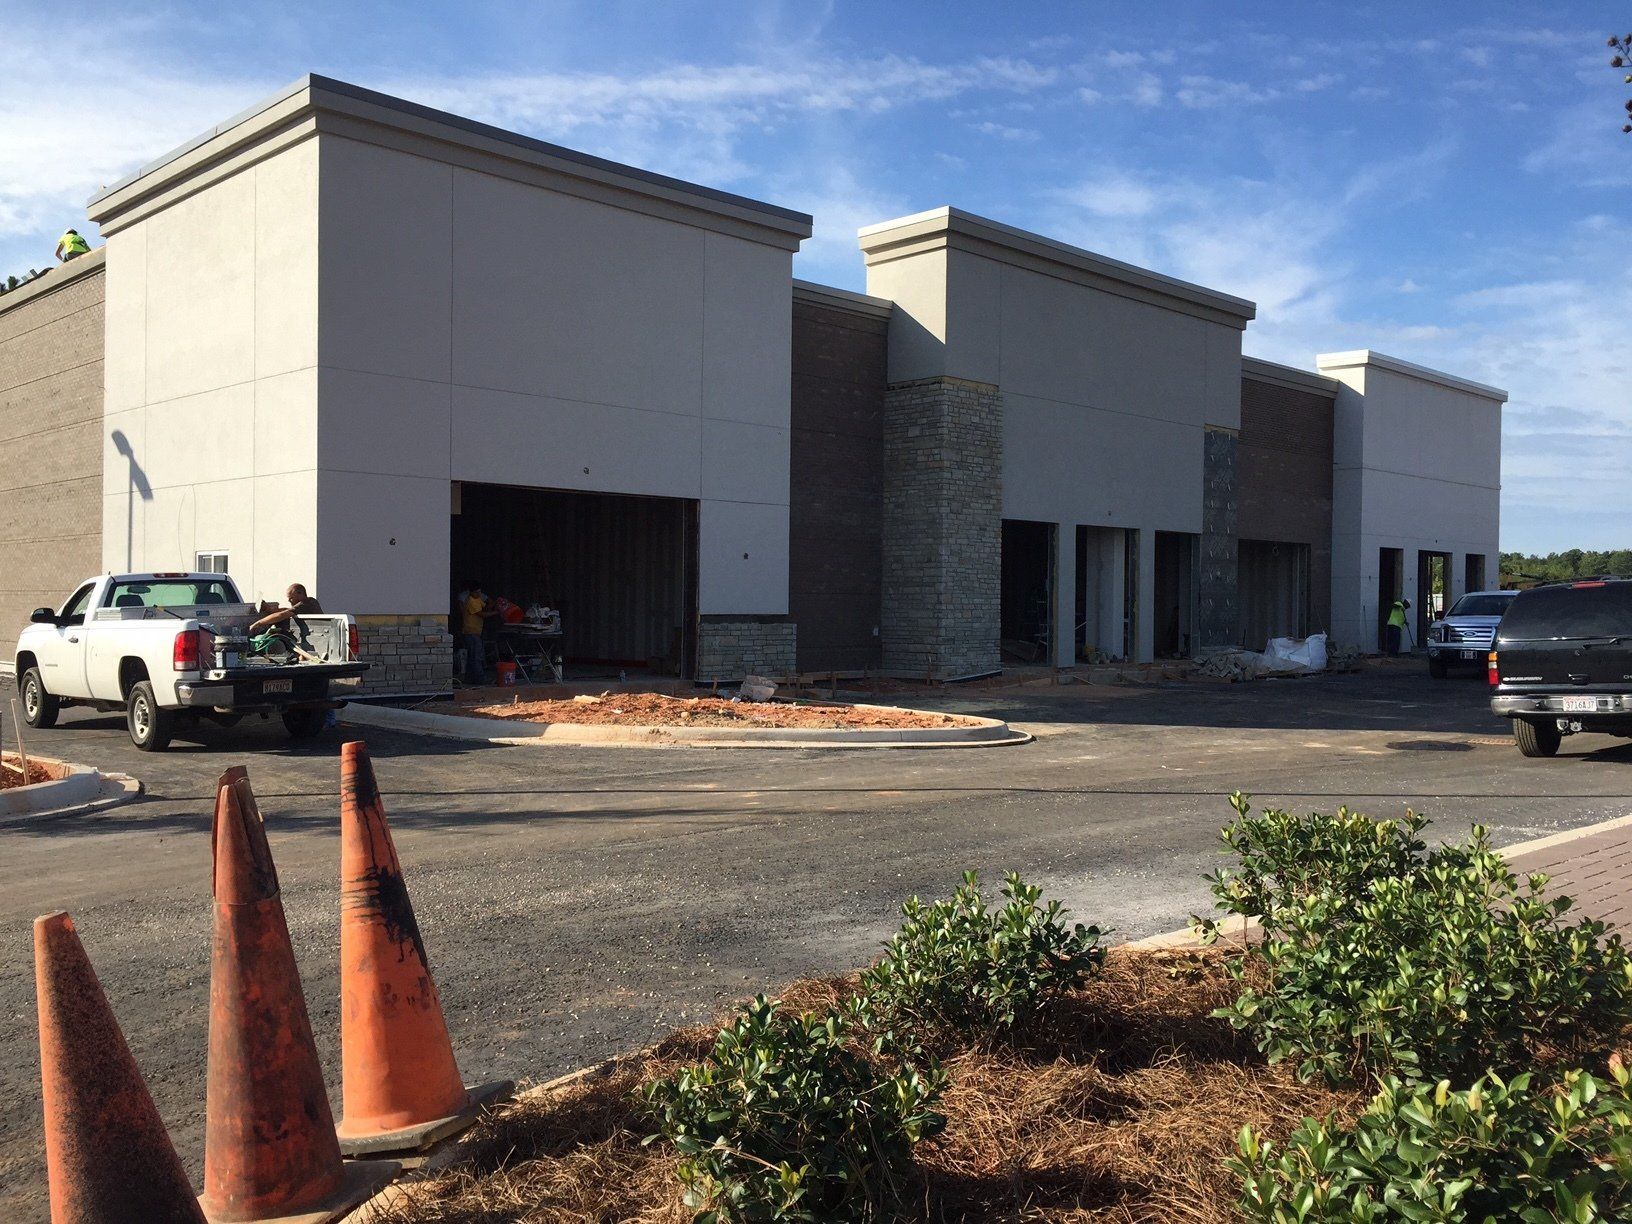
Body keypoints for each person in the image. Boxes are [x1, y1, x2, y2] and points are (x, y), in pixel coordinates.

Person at [251, 583, 323, 634]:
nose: (289, 600)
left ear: (300, 594)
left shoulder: (306, 603)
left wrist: (259, 623)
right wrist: (269, 610)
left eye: (291, 598)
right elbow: (287, 610)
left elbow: (282, 615)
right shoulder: (306, 603)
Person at [460, 579, 493, 685]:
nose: (479, 594)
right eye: (477, 592)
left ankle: (470, 679)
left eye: (480, 592)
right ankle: (480, 679)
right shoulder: (470, 601)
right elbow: (482, 614)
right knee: (476, 656)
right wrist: (496, 612)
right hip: (471, 632)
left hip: (476, 632)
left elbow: (486, 607)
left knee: (472, 656)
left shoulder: (478, 599)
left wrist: (495, 604)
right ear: (471, 592)